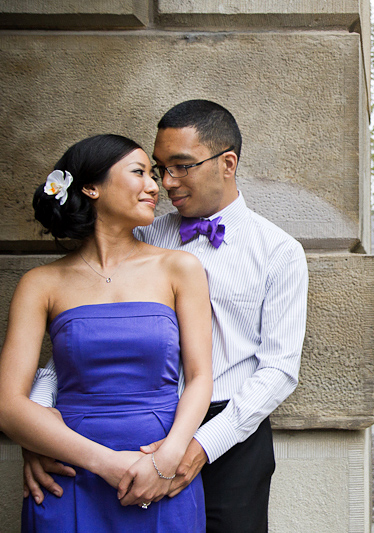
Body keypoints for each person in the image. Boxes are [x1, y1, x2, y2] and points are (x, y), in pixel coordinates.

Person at [26, 100, 309, 532]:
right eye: (159, 168)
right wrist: (39, 424)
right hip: (137, 429)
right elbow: (85, 337)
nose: (166, 183)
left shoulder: (279, 251)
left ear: (227, 163)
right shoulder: (139, 233)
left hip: (230, 435)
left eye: (181, 166)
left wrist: (198, 445)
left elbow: (279, 369)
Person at [0, 134, 213, 531]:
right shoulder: (40, 283)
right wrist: (103, 461)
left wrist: (167, 458)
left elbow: (201, 378)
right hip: (68, 470)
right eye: (140, 173)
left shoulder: (180, 268)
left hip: (160, 464)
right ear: (91, 187)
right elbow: (8, 404)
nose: (155, 186)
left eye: (154, 175)